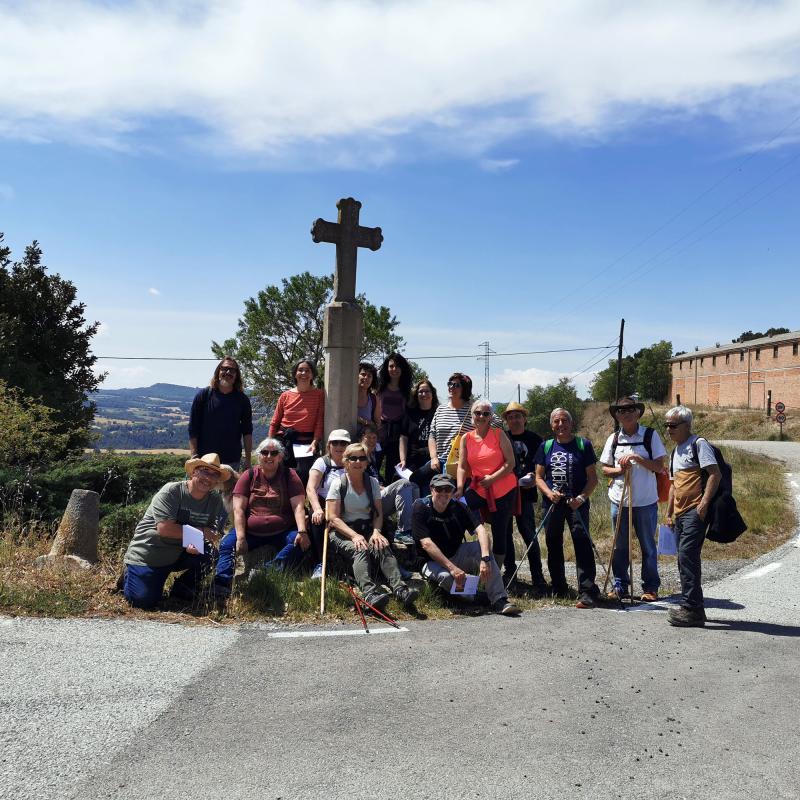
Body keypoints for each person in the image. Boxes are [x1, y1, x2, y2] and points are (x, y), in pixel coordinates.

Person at [122, 453, 231, 609]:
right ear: (194, 472)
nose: (208, 478)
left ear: (216, 482)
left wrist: (196, 541)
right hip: (150, 554)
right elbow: (165, 529)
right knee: (142, 601)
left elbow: (212, 530)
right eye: (204, 471)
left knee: (211, 554)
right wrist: (200, 533)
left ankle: (182, 589)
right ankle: (129, 573)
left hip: (179, 552)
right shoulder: (171, 491)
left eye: (214, 474)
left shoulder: (214, 501)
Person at [326, 442, 418, 611]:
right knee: (360, 549)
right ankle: (369, 592)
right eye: (353, 458)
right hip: (343, 531)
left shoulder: (373, 483)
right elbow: (333, 518)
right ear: (345, 461)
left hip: (367, 528)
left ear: (366, 462)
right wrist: (354, 536)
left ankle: (400, 589)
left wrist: (376, 531)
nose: (358, 461)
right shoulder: (338, 484)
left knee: (381, 545)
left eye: (362, 458)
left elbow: (377, 513)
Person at [413, 474, 521, 616]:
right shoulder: (421, 507)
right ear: (432, 490)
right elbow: (426, 544)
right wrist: (452, 568)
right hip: (430, 561)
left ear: (452, 492)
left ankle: (500, 599)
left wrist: (485, 558)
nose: (444, 494)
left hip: (456, 553)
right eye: (440, 489)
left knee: (480, 548)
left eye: (448, 490)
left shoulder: (458, 507)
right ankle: (477, 597)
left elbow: (481, 530)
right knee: (446, 576)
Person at [213, 437, 310, 595]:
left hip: (282, 531)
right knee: (226, 545)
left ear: (280, 456)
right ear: (259, 456)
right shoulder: (249, 475)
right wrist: (241, 537)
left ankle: (265, 571)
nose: (269, 456)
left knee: (297, 543)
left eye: (274, 453)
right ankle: (221, 583)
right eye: (265, 452)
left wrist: (302, 531)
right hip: (251, 532)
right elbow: (238, 509)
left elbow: (298, 506)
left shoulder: (289, 475)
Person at [599, 397, 667, 602]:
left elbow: (659, 467)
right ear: (617, 415)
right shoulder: (614, 439)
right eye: (621, 410)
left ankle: (651, 587)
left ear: (638, 412)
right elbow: (605, 469)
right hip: (619, 500)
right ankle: (620, 585)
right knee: (619, 547)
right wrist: (620, 469)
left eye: (630, 409)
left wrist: (638, 459)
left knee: (647, 545)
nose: (625, 413)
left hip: (645, 502)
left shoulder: (650, 436)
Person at [534, 408, 600, 609]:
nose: (560, 425)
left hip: (577, 503)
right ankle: (559, 586)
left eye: (564, 420)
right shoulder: (545, 447)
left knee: (582, 543)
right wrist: (548, 493)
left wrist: (581, 497)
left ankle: (587, 590)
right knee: (553, 544)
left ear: (571, 423)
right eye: (556, 421)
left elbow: (593, 479)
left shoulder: (583, 445)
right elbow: (538, 477)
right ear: (551, 425)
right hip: (553, 503)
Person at [665, 405, 721, 627]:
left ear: (687, 426)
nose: (669, 429)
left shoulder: (699, 444)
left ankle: (693, 609)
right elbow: (673, 486)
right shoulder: (674, 452)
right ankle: (691, 606)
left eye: (673, 425)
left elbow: (715, 474)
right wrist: (668, 513)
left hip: (694, 511)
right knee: (683, 559)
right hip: (679, 514)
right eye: (666, 425)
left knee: (687, 556)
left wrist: (704, 504)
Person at [457, 400, 517, 567]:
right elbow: (462, 466)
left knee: (500, 531)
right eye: (478, 413)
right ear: (472, 416)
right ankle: (463, 551)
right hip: (480, 488)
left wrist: (492, 478)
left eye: (485, 413)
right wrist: (460, 488)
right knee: (458, 509)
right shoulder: (466, 438)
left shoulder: (499, 434)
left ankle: (496, 571)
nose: (481, 416)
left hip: (503, 487)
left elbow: (510, 463)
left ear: (490, 417)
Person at [501, 402, 547, 594]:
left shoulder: (536, 439)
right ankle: (510, 573)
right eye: (510, 417)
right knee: (505, 533)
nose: (514, 420)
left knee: (529, 533)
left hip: (526, 493)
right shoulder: (502, 438)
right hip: (505, 491)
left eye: (517, 416)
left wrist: (535, 481)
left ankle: (538, 576)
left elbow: (543, 466)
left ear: (524, 419)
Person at [428, 372, 502, 476]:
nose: (451, 387)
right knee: (415, 478)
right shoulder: (441, 409)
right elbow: (432, 435)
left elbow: (498, 423)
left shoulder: (474, 409)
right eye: (450, 384)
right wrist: (433, 457)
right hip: (439, 462)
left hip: (462, 463)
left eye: (456, 385)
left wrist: (480, 422)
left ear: (465, 389)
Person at [269, 358, 325, 486]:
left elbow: (319, 421)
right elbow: (275, 421)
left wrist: (315, 442)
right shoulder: (285, 395)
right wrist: (270, 442)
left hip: (307, 442)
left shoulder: (319, 395)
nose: (304, 373)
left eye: (307, 370)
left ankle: (299, 504)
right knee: (280, 474)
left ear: (313, 374)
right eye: (300, 370)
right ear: (295, 373)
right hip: (283, 440)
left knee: (303, 475)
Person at [188, 357, 252, 471]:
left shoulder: (243, 400)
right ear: (218, 371)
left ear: (236, 375)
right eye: (225, 369)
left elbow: (247, 432)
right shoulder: (203, 395)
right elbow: (193, 428)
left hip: (232, 462)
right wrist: (194, 455)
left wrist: (248, 460)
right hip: (205, 461)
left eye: (232, 370)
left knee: (230, 490)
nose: (228, 372)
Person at [361, 425, 420, 546]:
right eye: (368, 437)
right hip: (369, 501)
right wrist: (381, 487)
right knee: (404, 484)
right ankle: (403, 532)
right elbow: (361, 482)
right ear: (361, 438)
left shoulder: (372, 457)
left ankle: (413, 528)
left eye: (374, 437)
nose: (372, 440)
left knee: (413, 486)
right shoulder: (360, 457)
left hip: (379, 496)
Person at [306, 429, 351, 579]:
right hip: (323, 503)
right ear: (329, 445)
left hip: (345, 503)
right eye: (335, 443)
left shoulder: (353, 462)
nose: (339, 446)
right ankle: (319, 562)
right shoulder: (322, 462)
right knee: (316, 520)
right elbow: (311, 488)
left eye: (343, 443)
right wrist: (317, 509)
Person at [398, 378, 440, 495]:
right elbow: (403, 438)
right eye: (420, 391)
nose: (424, 394)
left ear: (432, 394)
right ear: (416, 394)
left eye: (427, 391)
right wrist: (403, 459)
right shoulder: (409, 413)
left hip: (431, 461)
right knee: (413, 491)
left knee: (429, 491)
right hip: (413, 459)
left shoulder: (439, 412)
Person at [376, 352, 413, 483]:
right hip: (380, 432)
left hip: (398, 435)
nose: (394, 369)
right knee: (374, 467)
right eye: (391, 366)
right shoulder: (379, 388)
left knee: (392, 470)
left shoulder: (407, 391)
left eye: (397, 366)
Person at [356, 362, 381, 439]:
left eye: (369, 376)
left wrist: (362, 421)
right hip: (343, 444)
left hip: (364, 445)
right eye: (363, 374)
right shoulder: (346, 395)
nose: (366, 377)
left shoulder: (374, 399)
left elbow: (377, 424)